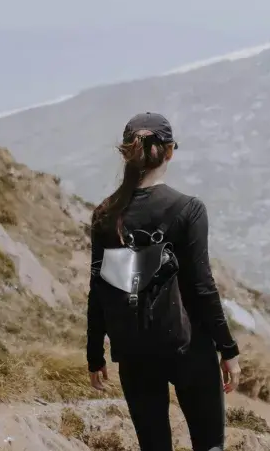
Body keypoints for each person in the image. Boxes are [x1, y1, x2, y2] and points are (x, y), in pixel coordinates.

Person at [86, 111, 241, 451]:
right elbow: (201, 286)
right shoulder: (188, 209)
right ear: (169, 151)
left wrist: (94, 354)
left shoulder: (105, 215)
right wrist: (228, 349)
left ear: (126, 153)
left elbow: (98, 288)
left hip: (133, 352)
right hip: (189, 347)